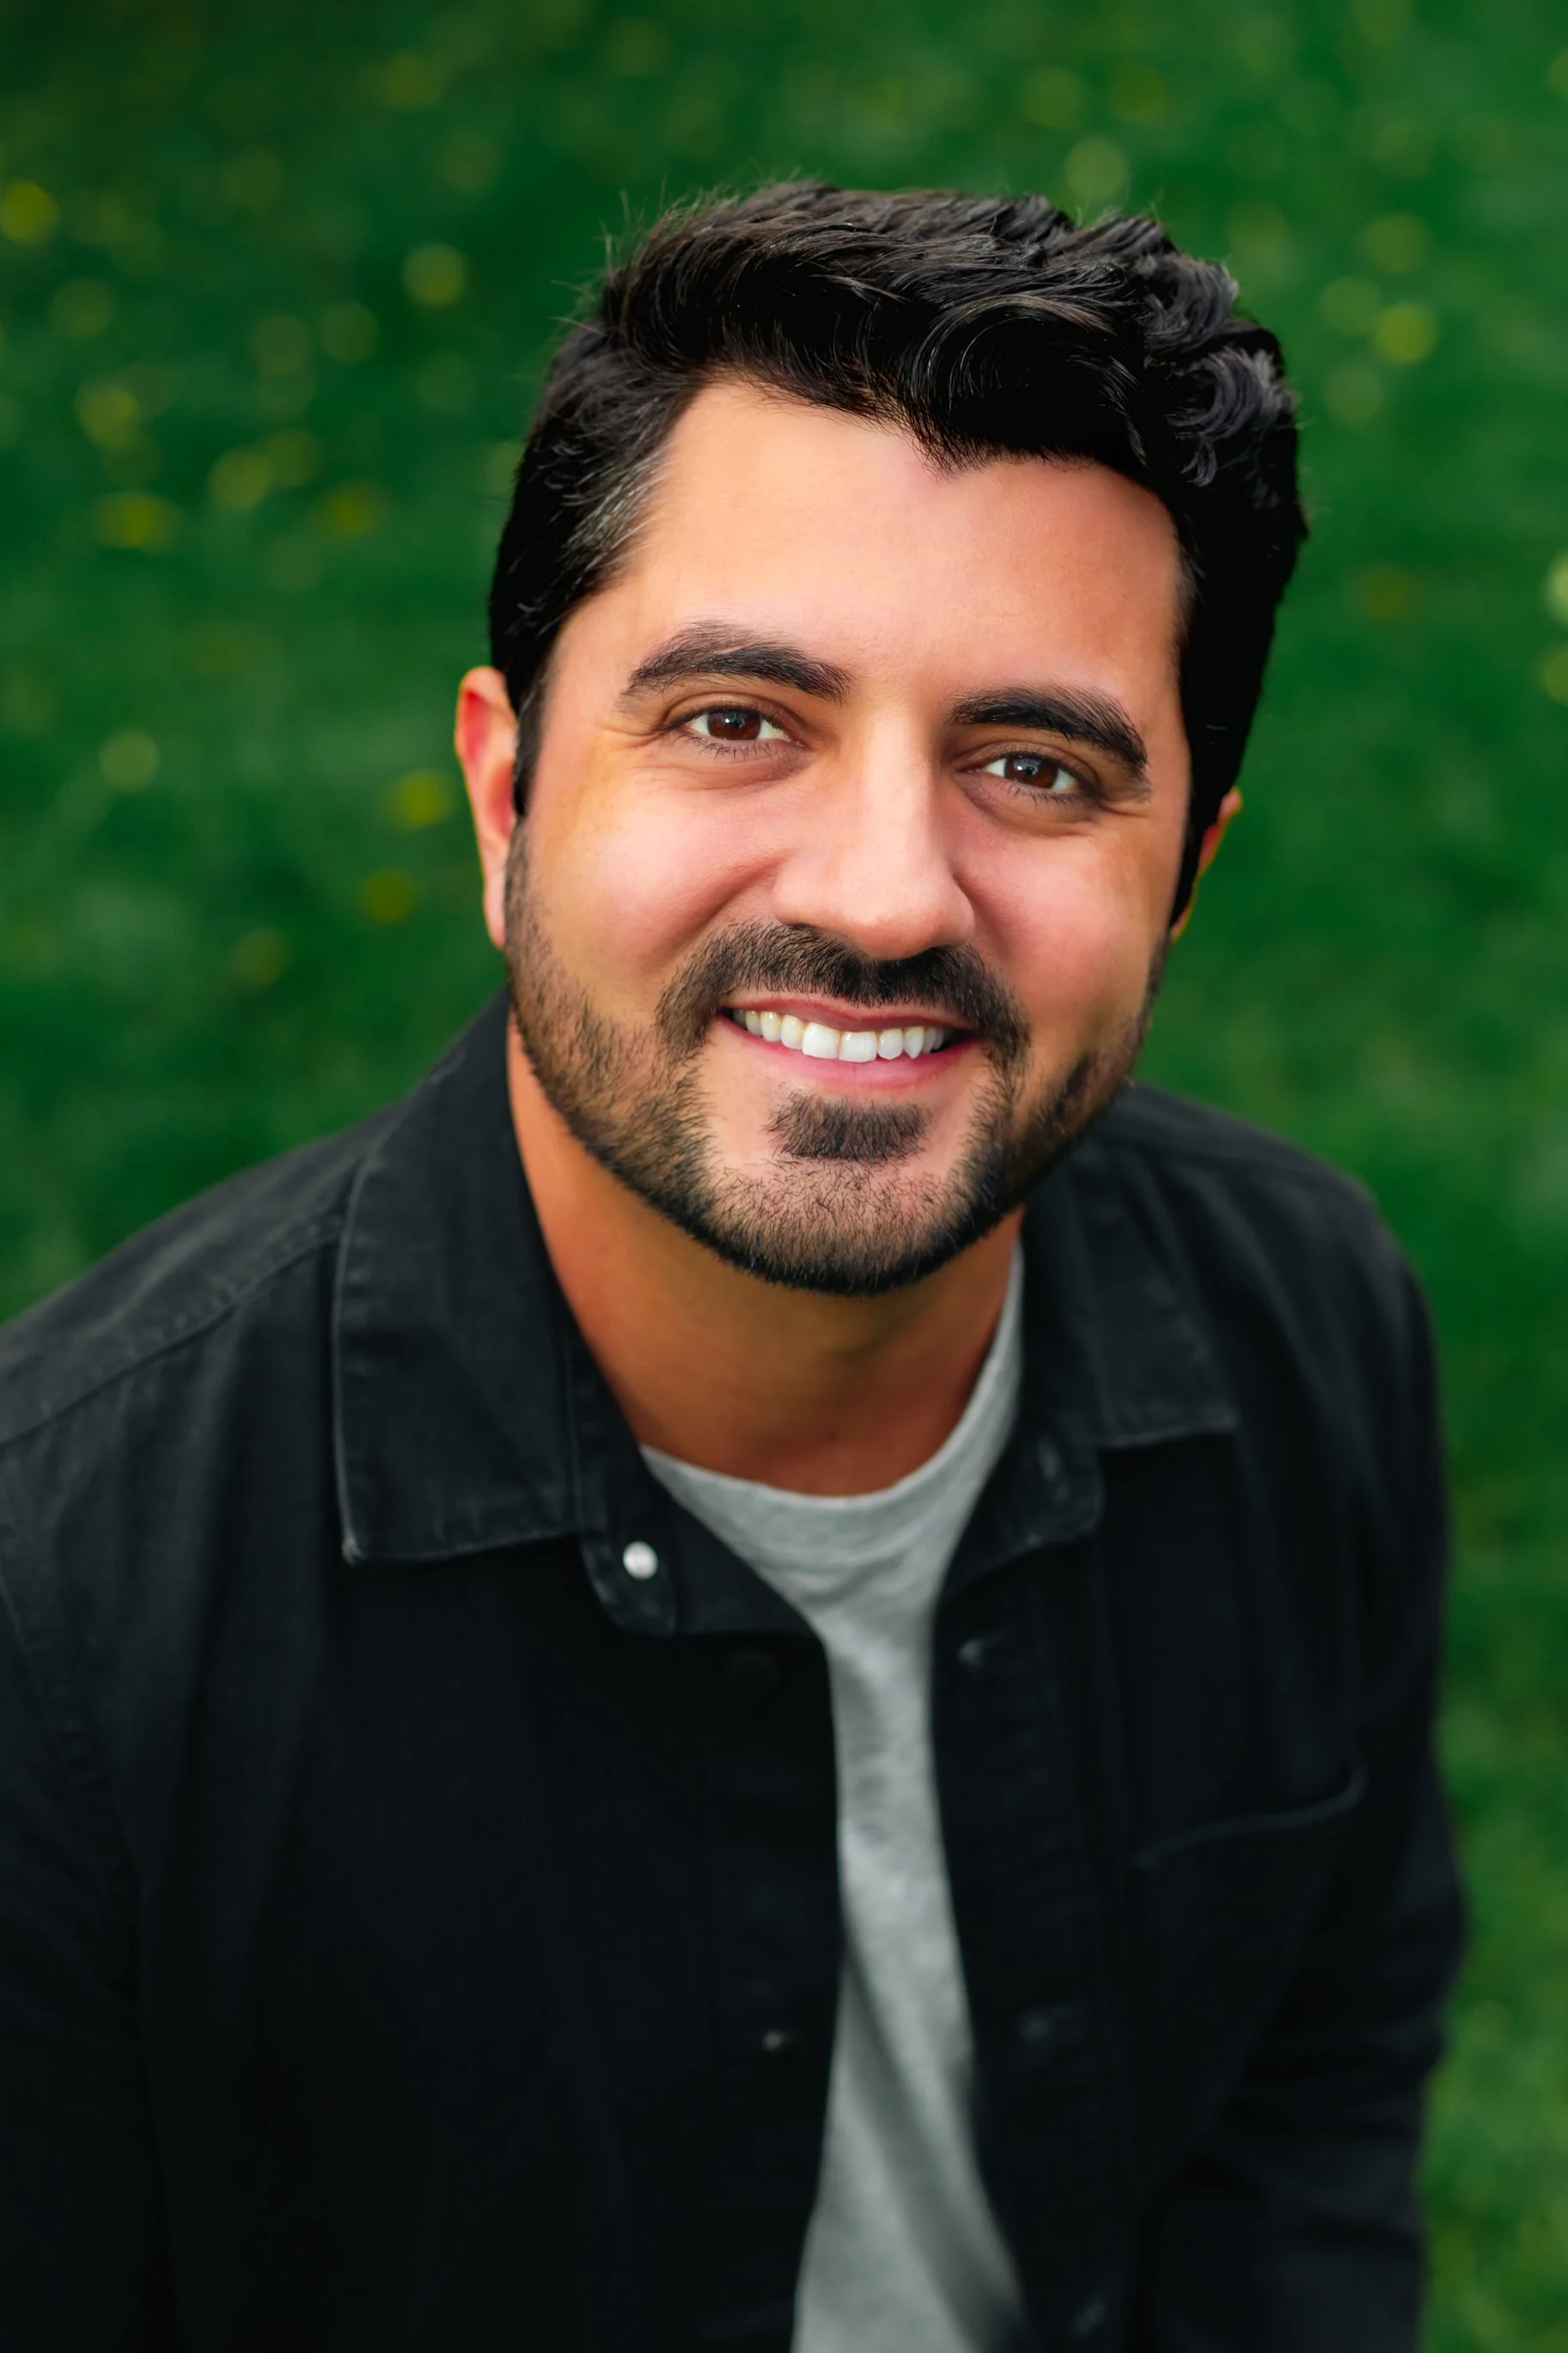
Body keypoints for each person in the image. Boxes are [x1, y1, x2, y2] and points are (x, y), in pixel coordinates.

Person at [0, 183, 1461, 2352]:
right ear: (505, 799)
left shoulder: (1309, 1313)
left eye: (1034, 765)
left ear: (1185, 876)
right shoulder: (60, 1616)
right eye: (734, 720)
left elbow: (1315, 2091)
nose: (883, 892)